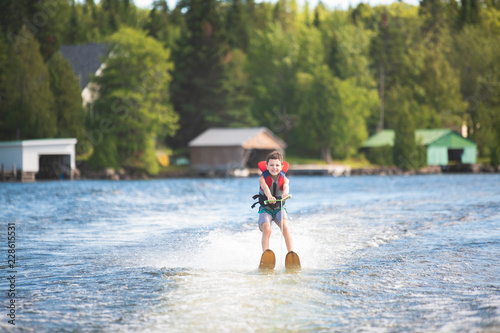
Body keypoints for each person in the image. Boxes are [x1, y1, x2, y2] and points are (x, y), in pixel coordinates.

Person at [253, 150, 294, 253]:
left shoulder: (285, 179)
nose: (274, 168)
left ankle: (291, 253)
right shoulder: (262, 178)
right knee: (267, 229)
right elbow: (265, 188)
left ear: (281, 167)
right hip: (266, 209)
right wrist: (269, 196)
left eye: (277, 165)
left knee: (285, 227)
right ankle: (266, 254)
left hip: (279, 208)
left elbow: (286, 187)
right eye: (271, 165)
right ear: (267, 166)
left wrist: (285, 194)